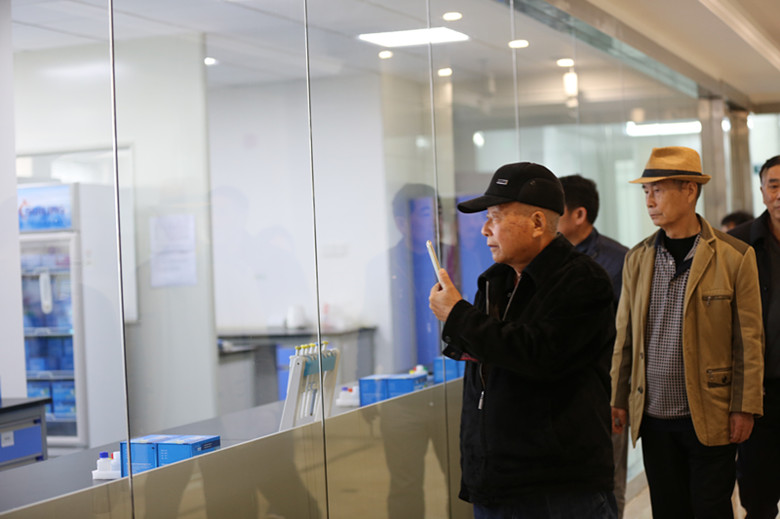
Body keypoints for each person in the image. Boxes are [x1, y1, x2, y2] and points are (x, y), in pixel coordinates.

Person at [429, 162, 617, 519]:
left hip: (557, 485)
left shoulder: (582, 280)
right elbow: (486, 359)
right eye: (486, 218)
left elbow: (539, 353)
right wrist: (460, 324)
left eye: (496, 217)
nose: (485, 229)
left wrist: (459, 315)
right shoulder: (494, 281)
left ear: (537, 223)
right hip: (494, 479)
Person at [611, 146, 764, 519]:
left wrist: (744, 407)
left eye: (658, 190)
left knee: (711, 509)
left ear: (690, 190)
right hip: (654, 415)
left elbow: (749, 340)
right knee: (668, 509)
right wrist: (617, 396)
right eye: (646, 191)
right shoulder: (638, 257)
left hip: (711, 413)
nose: (649, 201)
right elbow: (624, 336)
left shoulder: (734, 255)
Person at [558, 174, 629, 518]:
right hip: (559, 392)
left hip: (604, 391)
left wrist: (620, 396)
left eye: (555, 210)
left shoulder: (618, 261)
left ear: (579, 215)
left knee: (607, 481)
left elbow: (628, 334)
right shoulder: (545, 259)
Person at [730, 154, 780, 519]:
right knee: (759, 498)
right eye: (774, 185)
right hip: (760, 393)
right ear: (762, 191)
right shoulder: (738, 243)